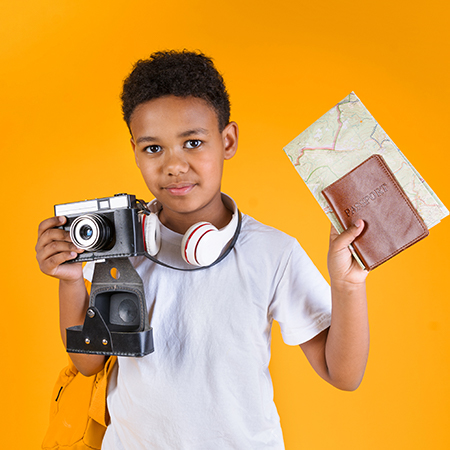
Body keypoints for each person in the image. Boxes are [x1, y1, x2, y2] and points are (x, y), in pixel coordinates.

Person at [36, 50, 369, 449]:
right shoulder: (117, 248)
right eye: (153, 149)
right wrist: (71, 280)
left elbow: (343, 375)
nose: (174, 166)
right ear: (134, 151)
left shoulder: (272, 252)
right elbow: (87, 363)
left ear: (227, 141)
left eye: (193, 142)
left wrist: (348, 287)